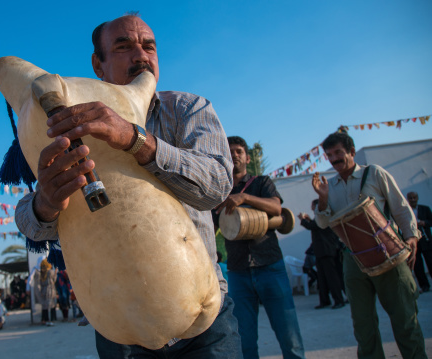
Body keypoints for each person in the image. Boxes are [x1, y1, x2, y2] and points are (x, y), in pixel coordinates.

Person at [15, 13, 242, 358]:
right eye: (123, 46)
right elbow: (31, 225)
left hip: (206, 325)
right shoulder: (64, 120)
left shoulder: (188, 109)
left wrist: (137, 141)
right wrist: (45, 203)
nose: (141, 55)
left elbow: (216, 187)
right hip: (124, 329)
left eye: (149, 46)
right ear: (98, 64)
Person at [312, 131, 426, 359]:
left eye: (338, 153)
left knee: (405, 321)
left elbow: (400, 206)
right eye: (329, 155)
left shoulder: (374, 173)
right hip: (353, 261)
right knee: (363, 328)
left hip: (389, 255)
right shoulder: (328, 186)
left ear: (352, 152)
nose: (334, 158)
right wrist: (322, 198)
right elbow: (323, 223)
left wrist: (411, 236)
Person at [213, 136, 305, 359]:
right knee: (244, 338)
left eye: (239, 151)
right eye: (230, 151)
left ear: (247, 157)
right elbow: (210, 225)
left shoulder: (262, 183)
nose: (234, 155)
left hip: (270, 266)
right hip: (238, 271)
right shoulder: (219, 192)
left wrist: (244, 197)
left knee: (288, 335)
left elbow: (276, 207)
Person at [299, 199, 345, 309]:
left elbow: (314, 226)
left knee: (331, 277)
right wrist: (309, 220)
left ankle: (338, 300)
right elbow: (315, 225)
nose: (311, 207)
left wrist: (302, 220)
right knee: (322, 278)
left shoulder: (324, 216)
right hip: (320, 251)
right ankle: (325, 300)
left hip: (327, 251)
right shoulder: (319, 218)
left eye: (312, 205)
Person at [407, 191, 432, 293]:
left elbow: (431, 221)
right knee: (418, 266)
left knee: (431, 262)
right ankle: (424, 286)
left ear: (417, 198)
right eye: (411, 198)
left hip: (426, 240)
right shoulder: (405, 211)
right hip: (414, 241)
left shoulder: (425, 209)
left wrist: (424, 223)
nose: (413, 200)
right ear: (407, 199)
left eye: (414, 197)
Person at [34, 259, 57, 326]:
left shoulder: (40, 272)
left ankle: (46, 320)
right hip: (50, 290)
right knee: (50, 305)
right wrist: (55, 272)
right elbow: (54, 280)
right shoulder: (50, 272)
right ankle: (51, 320)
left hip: (43, 290)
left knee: (45, 306)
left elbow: (38, 283)